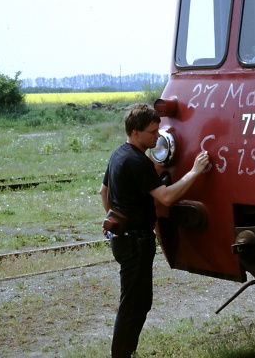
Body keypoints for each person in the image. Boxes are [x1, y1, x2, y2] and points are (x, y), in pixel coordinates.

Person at [100, 103, 209, 358]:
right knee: (133, 305)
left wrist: (114, 219)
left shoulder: (118, 154)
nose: (158, 136)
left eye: (158, 129)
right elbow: (167, 198)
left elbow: (103, 192)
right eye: (152, 132)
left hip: (123, 239)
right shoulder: (139, 162)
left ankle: (127, 352)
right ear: (135, 133)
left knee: (140, 301)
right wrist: (194, 172)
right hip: (136, 243)